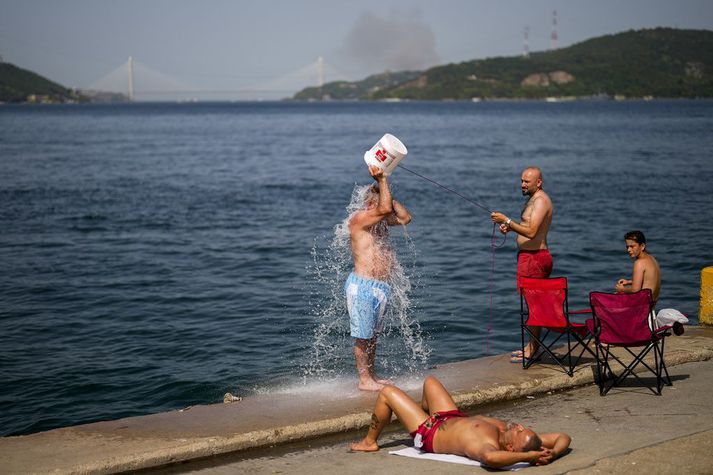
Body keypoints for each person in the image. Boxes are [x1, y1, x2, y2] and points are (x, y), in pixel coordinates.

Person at [350, 376, 571, 468]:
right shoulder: (514, 434)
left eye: (519, 432)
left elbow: (489, 459)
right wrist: (554, 453)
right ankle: (417, 414)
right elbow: (563, 437)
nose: (519, 426)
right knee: (430, 382)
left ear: (512, 448)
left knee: (387, 392)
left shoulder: (489, 446)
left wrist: (528, 457)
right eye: (523, 427)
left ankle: (370, 442)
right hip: (450, 417)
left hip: (431, 433)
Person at [346, 164, 412, 391]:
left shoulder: (381, 220)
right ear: (368, 205)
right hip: (363, 286)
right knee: (362, 337)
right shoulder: (359, 219)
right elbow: (384, 209)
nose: (384, 209)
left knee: (372, 336)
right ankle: (364, 380)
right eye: (377, 204)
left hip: (379, 287)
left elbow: (405, 217)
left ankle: (371, 376)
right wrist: (382, 181)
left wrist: (386, 193)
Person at [490, 166, 553, 362]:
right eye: (522, 181)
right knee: (531, 305)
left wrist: (507, 220)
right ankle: (532, 345)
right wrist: (510, 229)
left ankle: (533, 349)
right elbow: (527, 227)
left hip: (535, 257)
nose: (522, 185)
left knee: (534, 306)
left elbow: (533, 232)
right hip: (528, 257)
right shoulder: (533, 200)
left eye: (527, 181)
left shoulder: (541, 201)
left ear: (539, 182)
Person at [615, 230, 661, 303]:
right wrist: (629, 282)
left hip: (643, 307)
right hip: (652, 305)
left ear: (642, 246)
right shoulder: (652, 259)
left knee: (613, 299)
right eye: (627, 247)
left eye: (632, 246)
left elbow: (635, 290)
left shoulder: (639, 263)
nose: (629, 250)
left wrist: (622, 289)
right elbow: (649, 280)